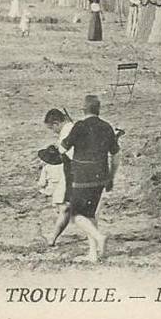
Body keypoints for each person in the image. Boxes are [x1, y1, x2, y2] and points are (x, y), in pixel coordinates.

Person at [60, 95, 120, 262]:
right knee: (90, 214)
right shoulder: (107, 127)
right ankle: (93, 254)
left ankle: (99, 237)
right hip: (101, 177)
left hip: (82, 177)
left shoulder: (79, 126)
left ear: (83, 109)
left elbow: (62, 148)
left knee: (74, 215)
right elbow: (116, 155)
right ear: (98, 110)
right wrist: (111, 177)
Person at [43, 108, 74, 246]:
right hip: (78, 171)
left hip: (74, 172)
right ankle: (52, 237)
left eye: (52, 128)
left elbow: (66, 155)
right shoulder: (73, 127)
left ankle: (52, 238)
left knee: (65, 207)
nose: (53, 132)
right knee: (66, 207)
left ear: (56, 123)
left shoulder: (66, 132)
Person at [36, 144, 71, 246]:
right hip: (66, 190)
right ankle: (53, 237)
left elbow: (42, 183)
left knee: (62, 212)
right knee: (65, 213)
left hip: (56, 192)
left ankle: (52, 238)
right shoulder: (67, 165)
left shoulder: (47, 168)